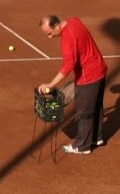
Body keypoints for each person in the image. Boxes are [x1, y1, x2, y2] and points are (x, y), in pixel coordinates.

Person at [38, 14, 108, 155]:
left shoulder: (67, 39)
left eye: (50, 33)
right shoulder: (74, 21)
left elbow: (69, 64)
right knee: (96, 106)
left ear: (56, 26)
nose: (50, 37)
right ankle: (96, 137)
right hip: (99, 69)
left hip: (88, 77)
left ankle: (83, 146)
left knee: (84, 112)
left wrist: (51, 84)